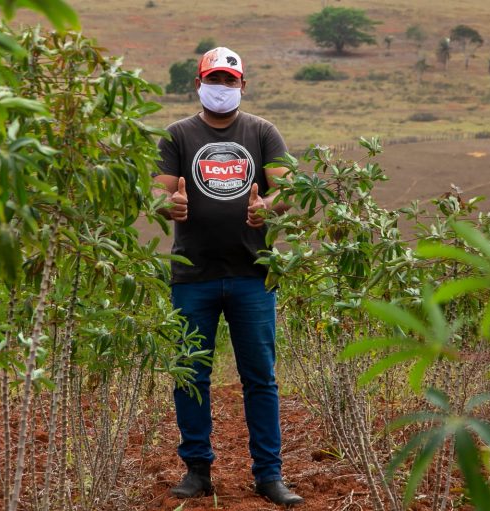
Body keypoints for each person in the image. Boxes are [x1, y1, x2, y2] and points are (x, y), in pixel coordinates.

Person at [153, 47, 303, 506]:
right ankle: (197, 470)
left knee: (260, 377)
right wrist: (170, 206)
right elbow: (160, 196)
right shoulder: (177, 135)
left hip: (251, 275)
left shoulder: (262, 132)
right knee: (191, 376)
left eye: (229, 80)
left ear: (243, 85)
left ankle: (269, 475)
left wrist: (267, 207)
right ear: (198, 84)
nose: (221, 87)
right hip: (192, 276)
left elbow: (288, 187)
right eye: (213, 79)